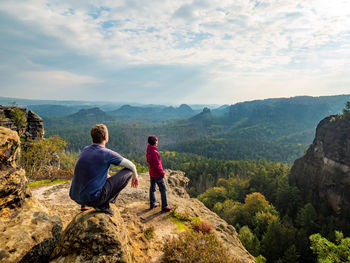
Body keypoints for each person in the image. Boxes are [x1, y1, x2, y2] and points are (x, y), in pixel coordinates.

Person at [69, 124, 138, 215]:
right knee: (128, 171)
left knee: (106, 177)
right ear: (106, 138)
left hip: (76, 196)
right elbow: (131, 166)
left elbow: (91, 170)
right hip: (94, 199)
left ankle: (86, 205)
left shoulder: (85, 149)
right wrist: (135, 176)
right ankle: (104, 204)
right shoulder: (106, 153)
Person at [147, 135, 172, 212]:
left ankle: (152, 203)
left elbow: (150, 162)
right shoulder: (155, 153)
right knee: (163, 190)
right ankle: (164, 206)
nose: (157, 142)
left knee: (152, 188)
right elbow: (157, 166)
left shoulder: (149, 150)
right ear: (155, 142)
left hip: (152, 172)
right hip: (157, 174)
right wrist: (162, 173)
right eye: (157, 141)